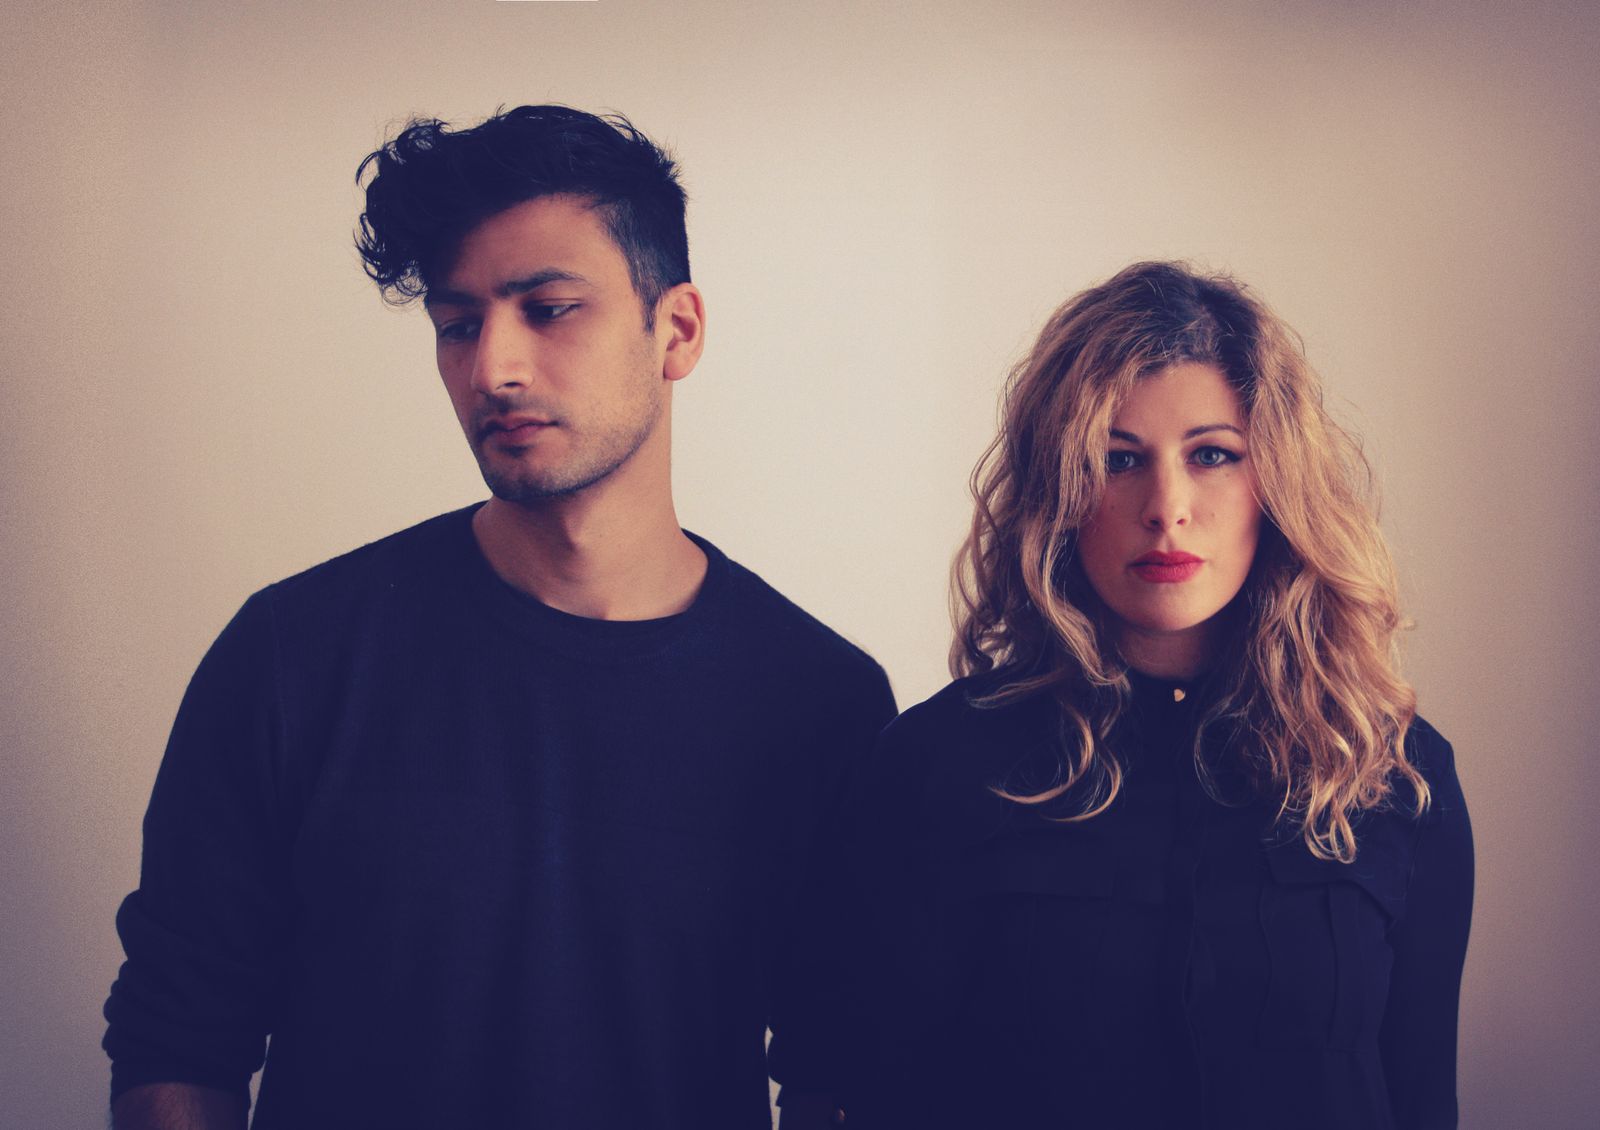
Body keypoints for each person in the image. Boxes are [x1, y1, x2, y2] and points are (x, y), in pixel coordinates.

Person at [102, 105, 895, 1130]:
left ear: (677, 330)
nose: (493, 369)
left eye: (550, 309)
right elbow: (178, 1035)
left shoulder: (819, 701)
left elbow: (839, 1066)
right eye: (458, 324)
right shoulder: (294, 656)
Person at [811, 262, 1473, 1129]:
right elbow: (859, 1092)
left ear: (1275, 485)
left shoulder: (1395, 776)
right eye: (1117, 460)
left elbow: (1422, 1097)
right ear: (1058, 490)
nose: (1167, 507)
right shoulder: (937, 766)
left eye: (1212, 455)